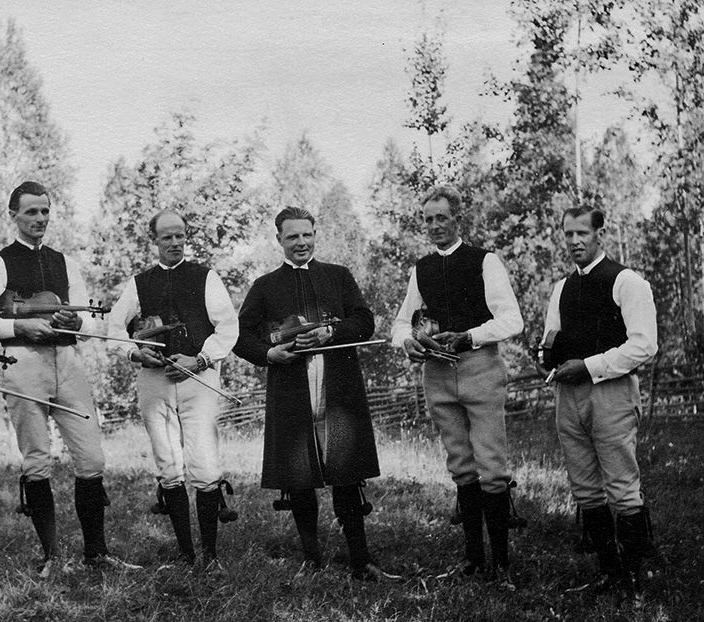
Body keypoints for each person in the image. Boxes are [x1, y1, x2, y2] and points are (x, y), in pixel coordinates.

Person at [0, 181, 138, 575]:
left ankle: (97, 554)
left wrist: (77, 323)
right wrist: (19, 328)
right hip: (23, 362)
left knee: (91, 457)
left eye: (44, 211)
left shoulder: (65, 262)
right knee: (37, 458)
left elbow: (89, 320)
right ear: (13, 216)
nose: (40, 218)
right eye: (31, 212)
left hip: (67, 361)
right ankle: (52, 558)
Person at [233, 206, 398, 582]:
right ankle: (312, 561)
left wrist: (330, 333)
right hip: (292, 389)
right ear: (279, 239)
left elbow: (364, 320)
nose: (301, 242)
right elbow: (240, 335)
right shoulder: (265, 286)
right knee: (300, 474)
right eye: (292, 236)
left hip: (338, 388)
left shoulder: (338, 276)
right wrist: (269, 354)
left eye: (306, 234)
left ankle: (361, 562)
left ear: (315, 235)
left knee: (346, 471)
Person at [390, 185, 524, 584]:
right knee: (461, 467)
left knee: (491, 468)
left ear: (458, 220)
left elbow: (512, 319)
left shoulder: (485, 261)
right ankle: (473, 558)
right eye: (428, 220)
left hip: (479, 368)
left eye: (442, 218)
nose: (435, 226)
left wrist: (469, 336)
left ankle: (501, 563)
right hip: (438, 376)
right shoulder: (421, 268)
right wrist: (407, 342)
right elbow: (401, 323)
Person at [107, 209, 239, 568]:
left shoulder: (205, 277)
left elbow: (228, 327)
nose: (175, 242)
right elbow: (113, 329)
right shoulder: (139, 283)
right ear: (155, 240)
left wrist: (201, 359)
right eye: (167, 236)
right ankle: (185, 553)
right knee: (168, 463)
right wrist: (136, 353)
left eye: (180, 235)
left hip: (199, 376)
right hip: (155, 379)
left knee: (205, 463)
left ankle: (209, 555)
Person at [540, 206, 658, 594]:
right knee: (585, 487)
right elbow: (552, 339)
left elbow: (644, 345)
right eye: (568, 234)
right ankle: (610, 571)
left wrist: (590, 366)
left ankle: (634, 576)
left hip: (611, 392)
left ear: (599, 234)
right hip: (569, 395)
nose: (575, 241)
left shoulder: (626, 281)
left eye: (582, 233)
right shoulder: (561, 288)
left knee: (621, 485)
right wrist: (547, 359)